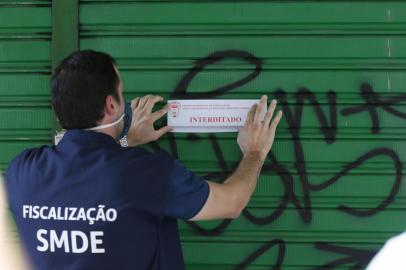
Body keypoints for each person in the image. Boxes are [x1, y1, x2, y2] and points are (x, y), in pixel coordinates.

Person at [5, 50, 282, 270]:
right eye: (122, 93)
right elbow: (232, 202)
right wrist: (255, 152)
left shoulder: (22, 170)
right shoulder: (147, 173)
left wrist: (126, 142)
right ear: (111, 105)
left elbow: (85, 186)